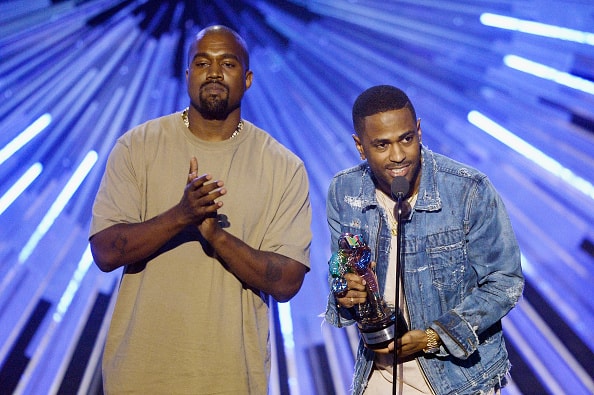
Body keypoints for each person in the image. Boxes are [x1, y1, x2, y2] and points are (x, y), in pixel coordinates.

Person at [89, 25, 312, 394]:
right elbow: (105, 251)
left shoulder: (282, 166)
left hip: (231, 378)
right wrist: (181, 216)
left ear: (248, 78)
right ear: (187, 73)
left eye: (228, 63)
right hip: (140, 378)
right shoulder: (136, 147)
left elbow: (287, 281)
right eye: (202, 62)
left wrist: (215, 236)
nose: (214, 72)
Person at [325, 85, 524, 395]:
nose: (398, 155)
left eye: (406, 138)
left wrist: (434, 337)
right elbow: (340, 266)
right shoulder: (345, 190)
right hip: (379, 373)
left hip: (461, 379)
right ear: (360, 147)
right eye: (381, 145)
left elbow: (504, 281)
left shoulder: (467, 189)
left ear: (418, 130)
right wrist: (343, 291)